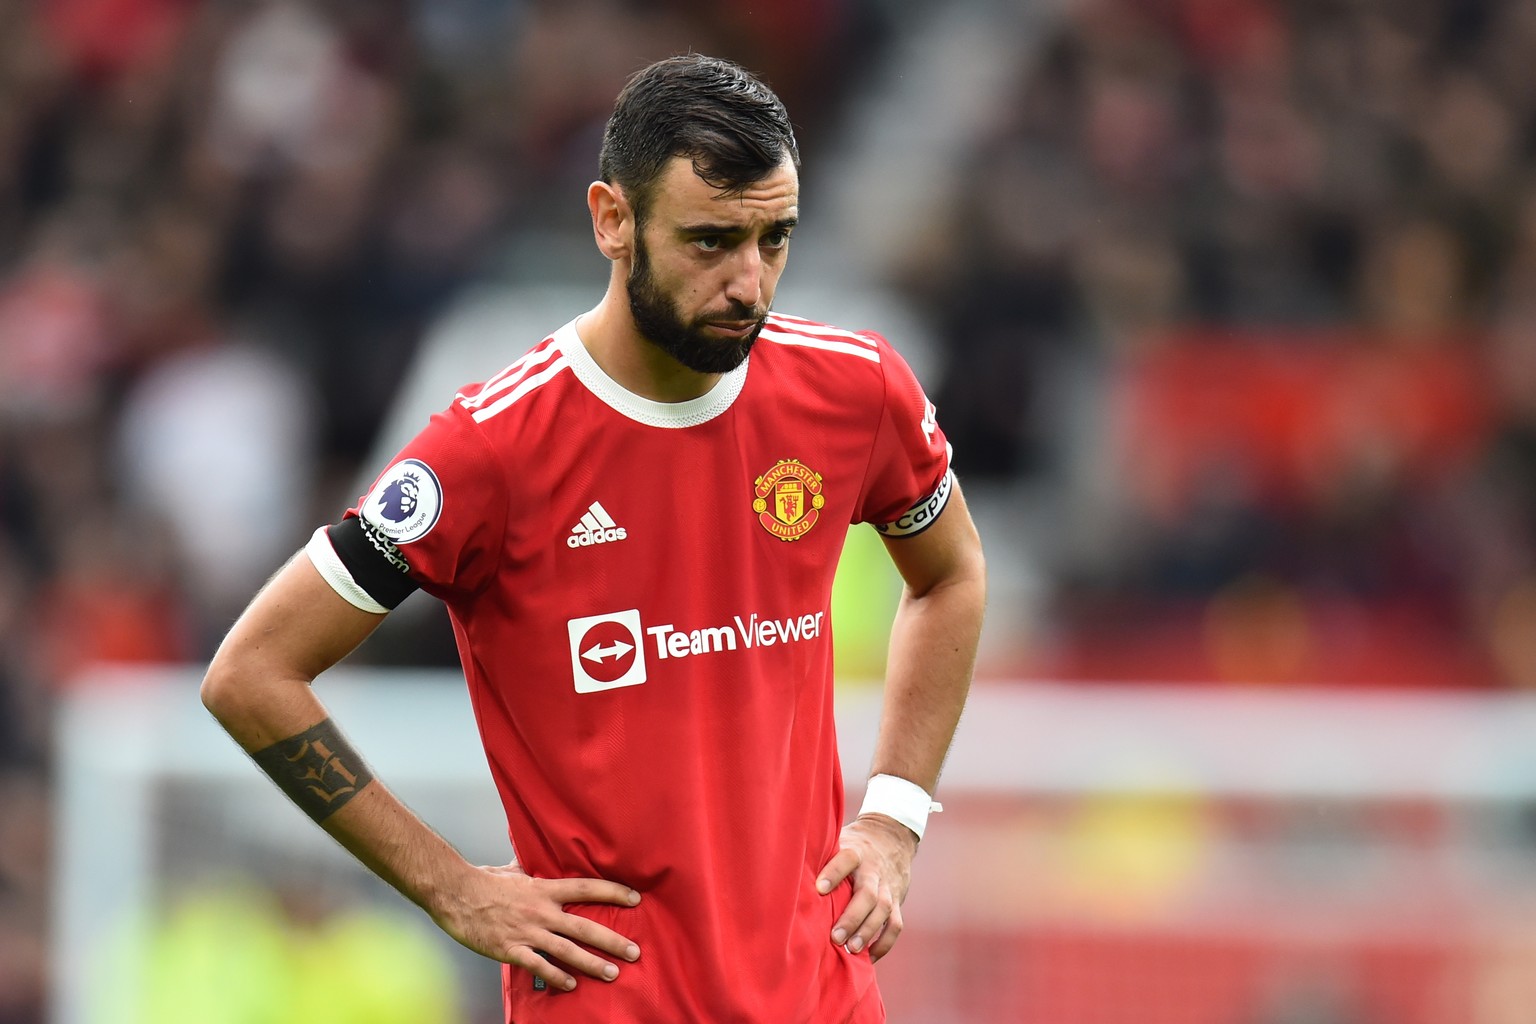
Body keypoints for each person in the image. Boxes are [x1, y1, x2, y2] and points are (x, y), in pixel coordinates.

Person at [201, 53, 986, 1024]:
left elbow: (950, 573)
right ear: (612, 220)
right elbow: (250, 674)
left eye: (774, 239)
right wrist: (450, 886)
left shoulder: (854, 391)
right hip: (610, 1002)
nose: (749, 283)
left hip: (821, 993)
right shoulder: (491, 450)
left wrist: (898, 813)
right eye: (710, 242)